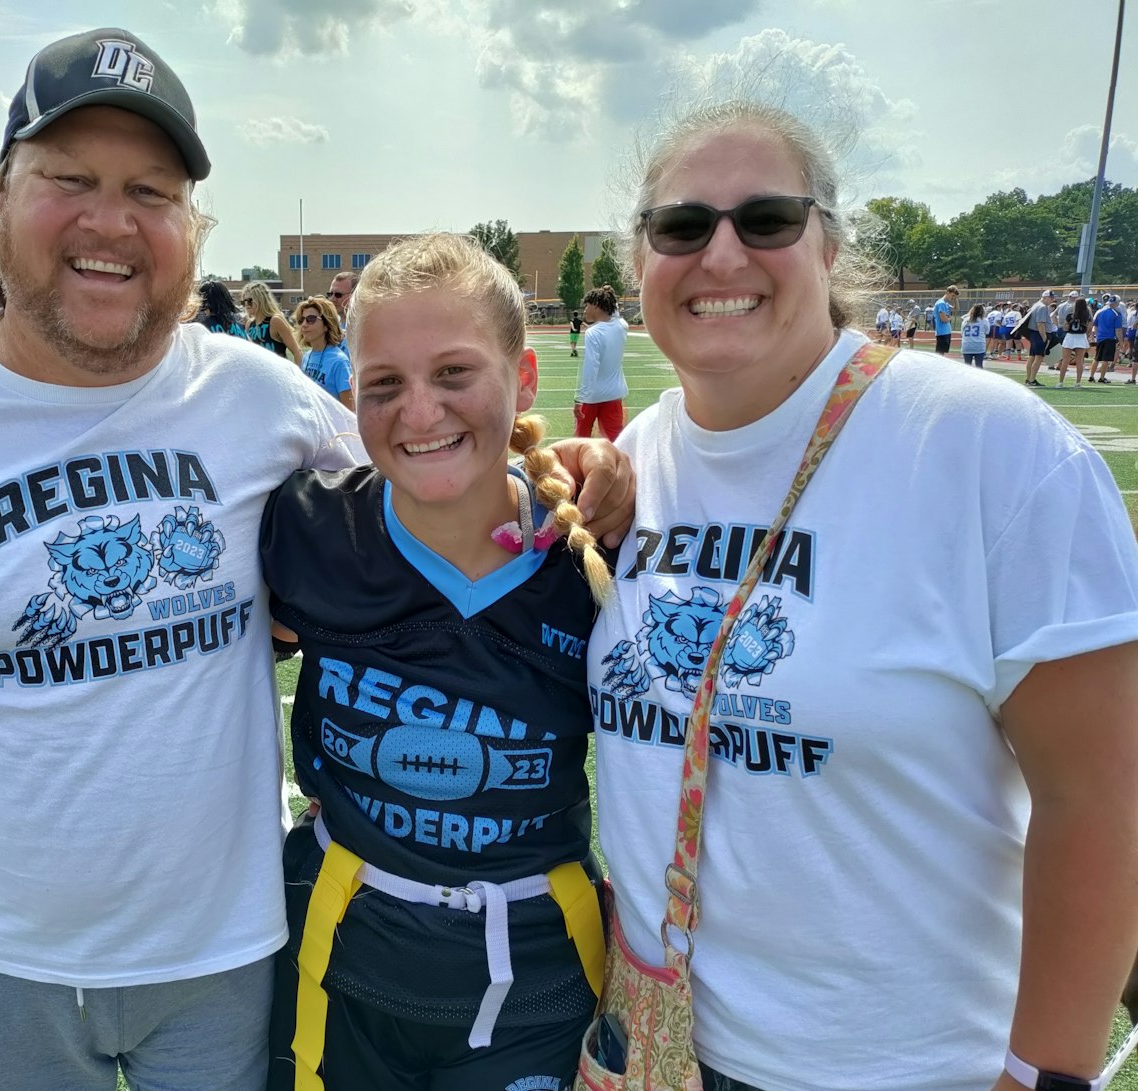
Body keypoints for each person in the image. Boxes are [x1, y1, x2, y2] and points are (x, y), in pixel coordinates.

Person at [0, 27, 634, 1088]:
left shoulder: (265, 402)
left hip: (234, 956)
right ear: (0, 196)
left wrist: (574, 470)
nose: (109, 220)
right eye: (69, 178)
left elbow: (440, 463)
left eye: (150, 192)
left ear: (191, 226)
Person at [589, 99, 1138, 1091]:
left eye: (765, 220)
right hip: (663, 1050)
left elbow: (1103, 795)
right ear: (640, 259)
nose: (720, 255)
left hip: (916, 1065)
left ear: (831, 243)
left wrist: (1043, 1074)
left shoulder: (987, 448)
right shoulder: (636, 460)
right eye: (681, 225)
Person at [263, 233, 614, 1091]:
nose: (419, 412)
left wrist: (610, 468)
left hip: (537, 963)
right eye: (384, 384)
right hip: (340, 953)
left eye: (454, 373)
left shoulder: (600, 551)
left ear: (524, 377)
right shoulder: (304, 529)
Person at [574, 285, 629, 439]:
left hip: (591, 396)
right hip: (614, 394)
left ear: (597, 306)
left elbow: (591, 368)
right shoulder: (622, 326)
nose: (585, 310)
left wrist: (579, 398)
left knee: (581, 440)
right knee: (615, 441)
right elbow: (615, 313)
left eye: (587, 305)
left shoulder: (593, 333)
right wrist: (610, 294)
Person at [296, 296, 352, 409]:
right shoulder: (306, 357)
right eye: (302, 320)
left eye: (311, 319)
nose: (304, 325)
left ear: (326, 325)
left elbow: (349, 411)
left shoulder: (339, 362)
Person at [241, 281, 302, 368]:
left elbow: (297, 352)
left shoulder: (275, 321)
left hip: (278, 376)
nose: (246, 305)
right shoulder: (249, 324)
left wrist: (298, 377)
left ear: (260, 300)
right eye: (244, 302)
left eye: (249, 301)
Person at [1021, 289, 1055, 386]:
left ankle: (1028, 378)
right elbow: (1040, 323)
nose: (1052, 300)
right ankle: (1032, 379)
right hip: (1038, 334)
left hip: (1034, 333)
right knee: (1038, 357)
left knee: (1032, 357)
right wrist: (1044, 337)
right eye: (1051, 298)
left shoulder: (1036, 305)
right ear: (1045, 297)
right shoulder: (1042, 307)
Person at [1057, 295, 1091, 387]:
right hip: (1081, 337)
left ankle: (1060, 382)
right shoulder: (1086, 316)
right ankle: (1078, 383)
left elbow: (1065, 327)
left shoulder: (1070, 315)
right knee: (1080, 362)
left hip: (1070, 337)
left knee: (1065, 361)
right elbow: (1089, 327)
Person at [1092, 294, 1122, 384]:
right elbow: (1118, 330)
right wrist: (1121, 340)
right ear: (1116, 303)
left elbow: (1095, 325)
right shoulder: (1116, 314)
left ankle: (1091, 376)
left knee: (1096, 358)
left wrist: (1097, 336)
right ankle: (1101, 377)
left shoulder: (1100, 312)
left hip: (1100, 337)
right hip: (1110, 338)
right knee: (1106, 359)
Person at [931, 284, 958, 355]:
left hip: (946, 331)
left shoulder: (946, 304)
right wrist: (950, 318)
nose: (953, 298)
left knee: (942, 354)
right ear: (947, 292)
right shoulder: (941, 303)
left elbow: (956, 309)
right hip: (942, 332)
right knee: (940, 355)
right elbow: (943, 319)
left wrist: (956, 299)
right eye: (952, 295)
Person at [960, 302, 987, 368]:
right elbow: (987, 331)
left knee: (967, 366)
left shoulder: (965, 320)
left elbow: (962, 333)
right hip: (979, 345)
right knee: (979, 366)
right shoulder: (984, 320)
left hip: (966, 345)